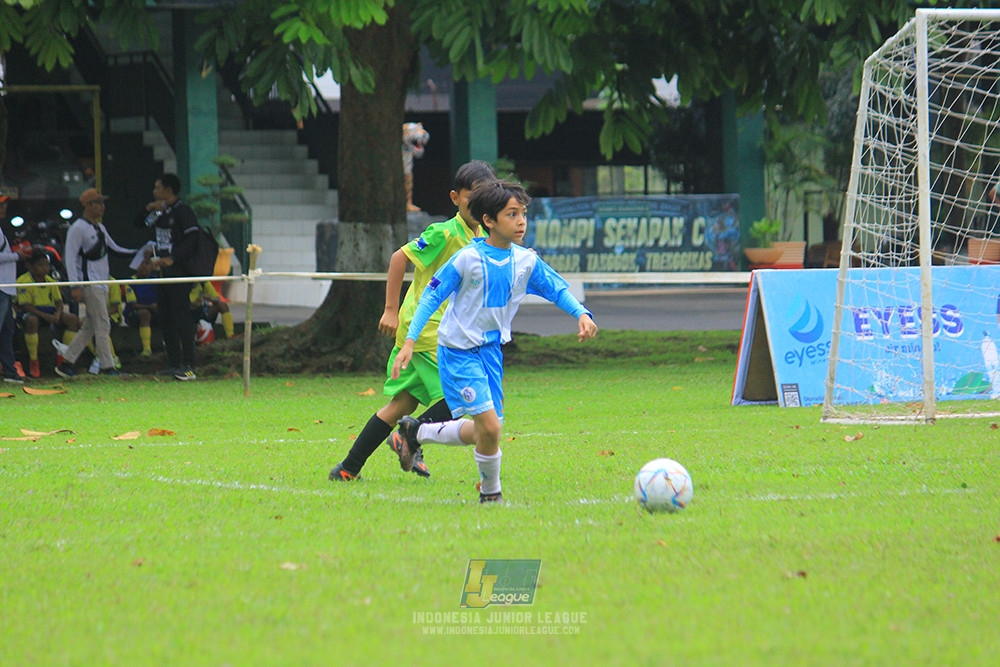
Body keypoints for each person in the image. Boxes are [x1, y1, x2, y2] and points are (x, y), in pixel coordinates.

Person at [389, 180, 598, 503]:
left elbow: (556, 288)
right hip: (458, 351)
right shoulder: (467, 258)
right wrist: (409, 342)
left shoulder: (525, 261)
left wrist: (581, 313)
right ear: (489, 220)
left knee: (487, 431)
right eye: (512, 214)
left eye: (523, 214)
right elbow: (431, 297)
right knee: (489, 427)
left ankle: (416, 431)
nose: (521, 221)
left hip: (490, 353)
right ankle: (491, 495)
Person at [328, 160, 498, 482]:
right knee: (462, 395)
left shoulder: (481, 237)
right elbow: (399, 257)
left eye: (486, 197)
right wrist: (390, 309)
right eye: (471, 197)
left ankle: (348, 469)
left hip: (440, 331)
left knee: (401, 405)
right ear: (455, 198)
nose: (478, 203)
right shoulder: (444, 233)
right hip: (428, 332)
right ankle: (411, 435)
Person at [56, 188, 136, 378]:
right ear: (88, 205)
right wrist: (75, 285)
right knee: (102, 324)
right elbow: (70, 258)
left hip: (101, 283)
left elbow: (114, 249)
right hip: (90, 283)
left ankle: (67, 363)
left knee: (90, 326)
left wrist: (137, 253)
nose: (102, 207)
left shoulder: (100, 228)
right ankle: (108, 366)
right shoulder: (77, 228)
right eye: (98, 203)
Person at [146, 174, 201, 381]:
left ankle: (189, 365)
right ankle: (174, 363)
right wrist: (150, 209)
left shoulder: (183, 212)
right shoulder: (161, 213)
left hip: (179, 273)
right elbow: (141, 222)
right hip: (162, 274)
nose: (154, 192)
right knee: (166, 317)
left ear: (168, 190)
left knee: (182, 317)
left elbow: (193, 238)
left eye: (157, 187)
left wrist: (173, 258)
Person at [15, 247, 81, 378]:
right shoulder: (23, 281)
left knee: (73, 319)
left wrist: (57, 314)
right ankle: (34, 361)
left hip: (49, 312)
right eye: (40, 265)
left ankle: (64, 358)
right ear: (30, 266)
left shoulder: (51, 281)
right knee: (32, 321)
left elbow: (59, 302)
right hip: (32, 312)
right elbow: (26, 306)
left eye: (46, 265)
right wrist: (47, 317)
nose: (45, 268)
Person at [0, 194, 31, 383]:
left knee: (7, 331)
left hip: (6, 287)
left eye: (4, 205)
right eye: (0, 205)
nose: (3, 208)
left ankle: (10, 371)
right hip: (1, 287)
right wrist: (17, 256)